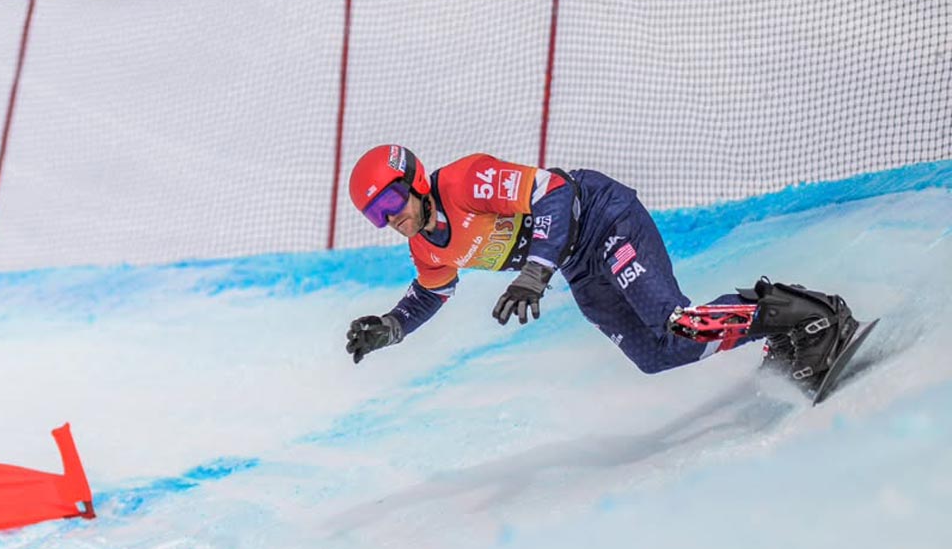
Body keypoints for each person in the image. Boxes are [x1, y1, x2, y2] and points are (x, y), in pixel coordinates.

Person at [343, 144, 860, 387]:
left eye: (391, 204)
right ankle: (780, 332)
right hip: (577, 265)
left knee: (673, 319)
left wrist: (534, 272)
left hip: (602, 218)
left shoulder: (464, 182)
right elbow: (432, 292)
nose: (391, 220)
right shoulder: (426, 248)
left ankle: (815, 316)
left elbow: (556, 191)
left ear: (415, 183)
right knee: (657, 354)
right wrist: (391, 327)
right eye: (375, 216)